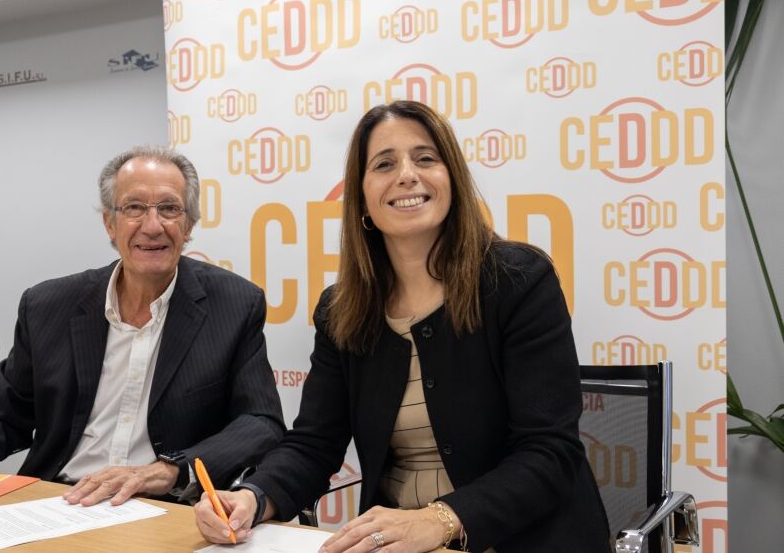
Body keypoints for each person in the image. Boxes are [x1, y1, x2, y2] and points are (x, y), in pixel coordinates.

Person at [195, 101, 609, 552]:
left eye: (425, 158)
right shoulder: (341, 310)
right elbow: (315, 443)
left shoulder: (518, 281)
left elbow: (550, 451)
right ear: (362, 199)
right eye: (384, 164)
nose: (407, 175)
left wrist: (440, 519)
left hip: (524, 540)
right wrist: (253, 497)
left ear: (452, 180)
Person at [0, 145, 285, 507]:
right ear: (110, 223)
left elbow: (261, 423)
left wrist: (167, 471)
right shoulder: (48, 305)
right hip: (57, 499)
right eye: (134, 208)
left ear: (188, 225)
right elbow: (3, 413)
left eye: (169, 209)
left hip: (165, 508)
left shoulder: (234, 305)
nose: (152, 226)